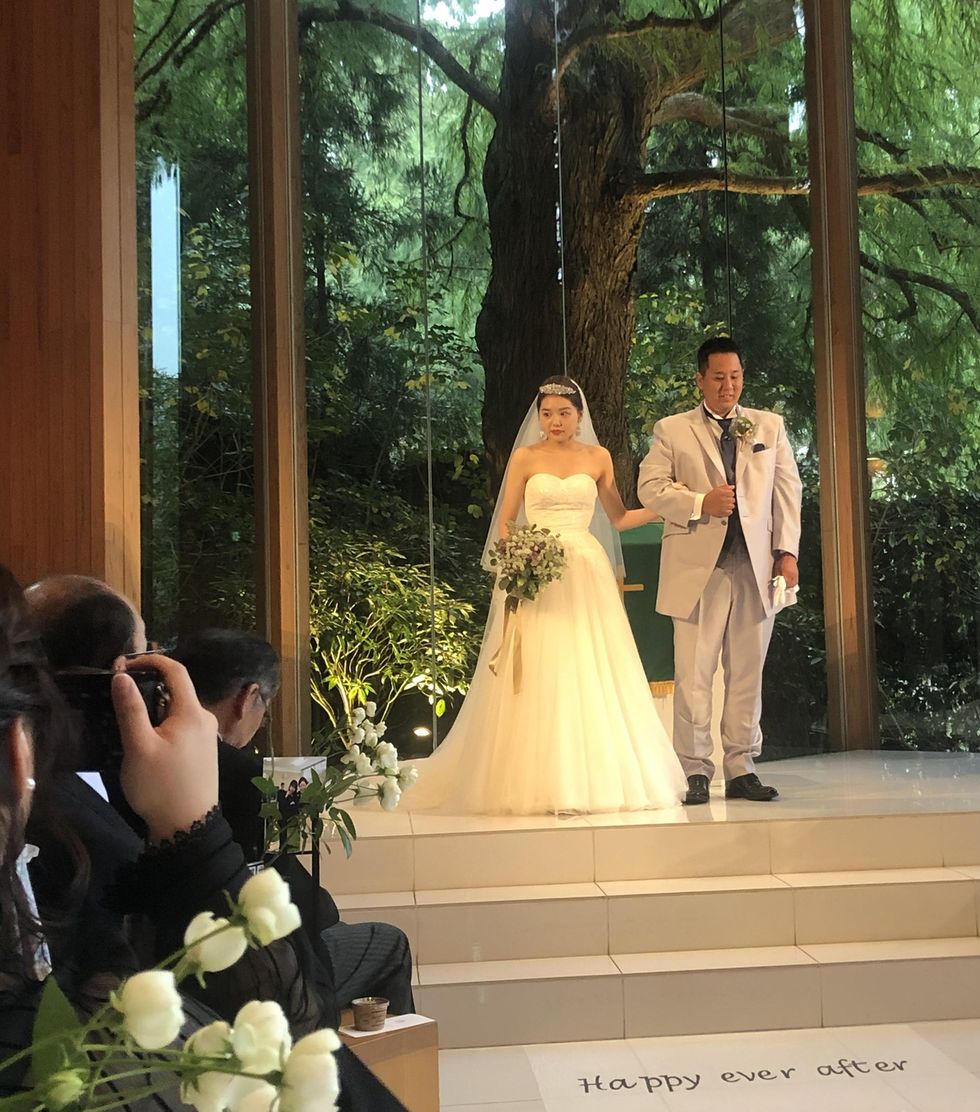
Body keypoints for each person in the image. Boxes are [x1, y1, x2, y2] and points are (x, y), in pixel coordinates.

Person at [5, 570, 402, 1108]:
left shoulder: (55, 803)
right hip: (209, 1008)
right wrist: (194, 834)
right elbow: (297, 1033)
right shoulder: (233, 780)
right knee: (385, 945)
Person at [401, 374, 686, 815]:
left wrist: (669, 506)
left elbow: (619, 518)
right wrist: (517, 558)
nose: (555, 421)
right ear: (538, 417)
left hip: (585, 570)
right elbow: (505, 518)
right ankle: (531, 780)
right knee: (539, 665)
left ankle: (590, 779)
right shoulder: (525, 457)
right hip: (537, 566)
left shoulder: (598, 458)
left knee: (586, 664)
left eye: (564, 413)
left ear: (579, 415)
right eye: (547, 413)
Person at [169, 627, 416, 1017]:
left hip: (174, 958)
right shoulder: (251, 781)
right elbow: (300, 901)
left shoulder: (142, 762)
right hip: (248, 974)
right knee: (389, 943)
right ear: (247, 698)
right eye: (265, 706)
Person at [638, 337, 803, 805]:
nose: (728, 386)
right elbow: (649, 487)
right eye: (718, 377)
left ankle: (741, 767)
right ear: (700, 380)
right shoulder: (672, 430)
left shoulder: (769, 426)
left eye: (735, 376)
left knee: (747, 671)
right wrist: (699, 502)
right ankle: (694, 769)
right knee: (694, 673)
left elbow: (787, 492)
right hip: (698, 568)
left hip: (755, 566)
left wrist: (786, 552)